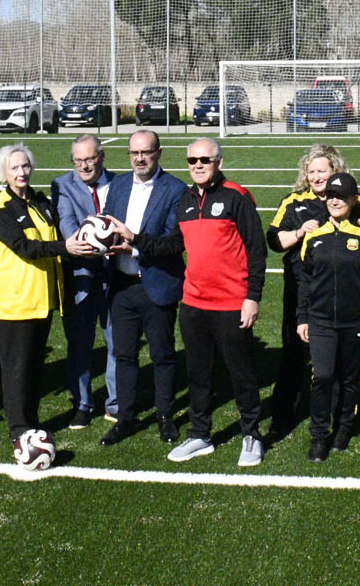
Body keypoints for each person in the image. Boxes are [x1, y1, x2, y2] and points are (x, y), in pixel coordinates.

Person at [158, 138, 268, 467]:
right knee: (198, 373)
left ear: (219, 161)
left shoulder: (237, 196)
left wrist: (252, 297)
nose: (198, 165)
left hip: (232, 302)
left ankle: (251, 434)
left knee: (241, 374)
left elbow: (257, 250)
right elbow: (172, 245)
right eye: (192, 160)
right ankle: (200, 434)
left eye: (205, 159)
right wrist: (133, 241)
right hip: (193, 304)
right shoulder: (185, 200)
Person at [267, 143, 360, 435]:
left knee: (340, 361)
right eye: (311, 171)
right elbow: (274, 240)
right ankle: (284, 414)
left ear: (335, 171)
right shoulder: (294, 202)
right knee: (295, 352)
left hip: (346, 293)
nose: (316, 177)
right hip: (303, 290)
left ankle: (339, 416)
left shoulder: (359, 201)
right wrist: (300, 232)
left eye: (322, 171)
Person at [96, 129, 188, 445]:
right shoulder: (118, 185)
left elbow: (173, 243)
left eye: (146, 152)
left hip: (156, 283)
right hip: (121, 286)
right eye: (134, 153)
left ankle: (164, 417)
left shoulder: (175, 189)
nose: (140, 158)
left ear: (158, 153)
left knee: (162, 355)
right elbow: (106, 227)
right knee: (124, 355)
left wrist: (133, 245)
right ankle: (126, 418)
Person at [295, 172, 360, 461]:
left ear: (353, 200)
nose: (336, 201)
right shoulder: (314, 235)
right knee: (322, 377)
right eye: (331, 196)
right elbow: (305, 280)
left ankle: (344, 428)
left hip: (356, 321)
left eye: (342, 197)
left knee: (350, 379)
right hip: (321, 320)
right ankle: (319, 435)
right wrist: (303, 317)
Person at [0, 143, 65, 456]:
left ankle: (31, 422)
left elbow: (50, 235)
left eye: (25, 166)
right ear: (4, 172)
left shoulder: (39, 201)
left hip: (41, 299)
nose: (21, 172)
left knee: (33, 368)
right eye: (14, 168)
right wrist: (66, 248)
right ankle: (19, 430)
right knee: (16, 369)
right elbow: (26, 248)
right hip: (14, 303)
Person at [50, 134, 117, 428]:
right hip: (80, 276)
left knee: (118, 344)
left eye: (89, 159)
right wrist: (77, 240)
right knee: (80, 345)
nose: (84, 165)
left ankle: (115, 403)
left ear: (101, 157)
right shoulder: (62, 185)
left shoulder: (120, 182)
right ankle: (82, 403)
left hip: (117, 275)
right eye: (78, 160)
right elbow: (65, 221)